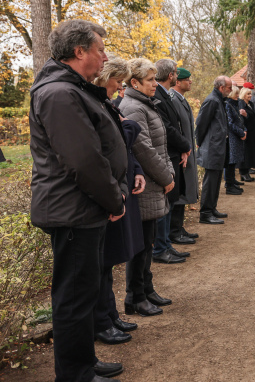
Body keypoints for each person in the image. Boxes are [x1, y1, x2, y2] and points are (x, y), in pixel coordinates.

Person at [30, 19, 126, 381]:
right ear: (79, 51)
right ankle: (75, 373)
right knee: (73, 298)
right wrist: (113, 200)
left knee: (84, 294)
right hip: (73, 211)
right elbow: (82, 160)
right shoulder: (59, 94)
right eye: (99, 50)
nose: (105, 57)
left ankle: (83, 361)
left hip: (82, 208)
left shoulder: (73, 88)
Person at [93, 59, 145, 346]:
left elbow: (125, 148)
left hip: (121, 186)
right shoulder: (101, 105)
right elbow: (113, 143)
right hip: (108, 193)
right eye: (118, 82)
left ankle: (109, 313)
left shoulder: (109, 105)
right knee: (102, 262)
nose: (120, 88)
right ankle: (102, 319)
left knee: (110, 260)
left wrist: (136, 172)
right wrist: (128, 127)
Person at [121, 58, 178, 319]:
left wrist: (168, 173)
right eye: (151, 80)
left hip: (154, 183)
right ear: (135, 83)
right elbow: (144, 149)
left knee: (149, 239)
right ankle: (135, 296)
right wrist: (166, 176)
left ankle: (147, 288)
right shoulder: (133, 107)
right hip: (145, 184)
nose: (156, 84)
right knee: (141, 244)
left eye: (156, 79)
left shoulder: (144, 104)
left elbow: (160, 145)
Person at [152, 59, 192, 263]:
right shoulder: (157, 95)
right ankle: (160, 247)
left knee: (169, 203)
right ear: (171, 75)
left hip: (173, 154)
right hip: (167, 154)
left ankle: (166, 243)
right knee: (165, 204)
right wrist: (185, 146)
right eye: (176, 73)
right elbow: (168, 127)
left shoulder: (163, 93)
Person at [195, 76, 232, 225]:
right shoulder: (212, 100)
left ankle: (212, 208)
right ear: (221, 88)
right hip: (212, 148)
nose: (231, 90)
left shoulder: (219, 100)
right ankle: (205, 213)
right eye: (229, 87)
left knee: (216, 180)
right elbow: (201, 124)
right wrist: (200, 143)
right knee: (210, 181)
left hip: (217, 146)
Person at [170, 68, 200, 245]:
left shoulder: (181, 99)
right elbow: (176, 128)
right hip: (181, 153)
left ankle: (178, 227)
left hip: (187, 151)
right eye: (187, 79)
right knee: (180, 191)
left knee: (185, 188)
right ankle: (174, 231)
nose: (190, 82)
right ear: (177, 82)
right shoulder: (174, 100)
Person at [238, 85, 255, 180]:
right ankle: (243, 173)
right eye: (248, 94)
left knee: (250, 152)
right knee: (246, 152)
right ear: (243, 95)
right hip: (247, 132)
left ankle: (246, 171)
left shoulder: (250, 104)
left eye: (250, 94)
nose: (250, 96)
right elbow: (241, 118)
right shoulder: (241, 103)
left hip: (252, 131)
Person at [226, 86, 247, 194]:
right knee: (230, 161)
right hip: (232, 136)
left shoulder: (235, 104)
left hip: (237, 135)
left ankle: (232, 181)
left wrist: (244, 130)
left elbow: (239, 120)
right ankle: (229, 185)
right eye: (236, 94)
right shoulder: (228, 105)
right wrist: (241, 132)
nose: (238, 96)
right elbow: (230, 123)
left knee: (234, 161)